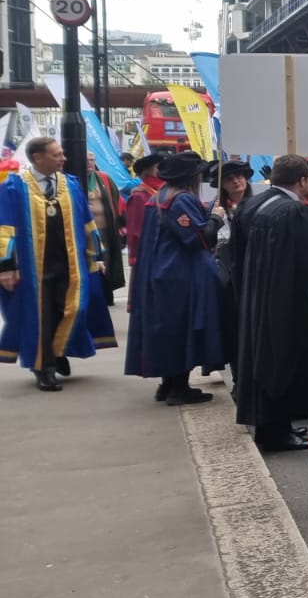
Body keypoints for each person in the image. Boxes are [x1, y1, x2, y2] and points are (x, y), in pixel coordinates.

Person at [0, 137, 116, 390]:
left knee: (74, 309)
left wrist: (94, 257)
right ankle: (44, 367)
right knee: (37, 317)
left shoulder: (71, 185)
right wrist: (6, 267)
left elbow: (87, 224)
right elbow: (4, 229)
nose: (64, 158)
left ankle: (57, 350)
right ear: (38, 158)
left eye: (62, 154)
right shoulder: (13, 187)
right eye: (57, 155)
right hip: (32, 268)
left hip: (70, 264)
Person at [232, 155, 308, 452]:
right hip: (287, 301)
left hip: (254, 298)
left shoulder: (253, 205)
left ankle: (272, 425)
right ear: (303, 181)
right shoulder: (296, 213)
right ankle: (277, 430)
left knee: (260, 357)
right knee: (283, 358)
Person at [125, 150, 227, 405]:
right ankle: (178, 388)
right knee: (182, 329)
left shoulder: (161, 195)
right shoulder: (179, 200)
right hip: (179, 274)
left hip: (163, 270)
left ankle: (168, 383)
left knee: (169, 329)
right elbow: (198, 238)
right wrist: (216, 217)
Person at [205, 158, 256, 381]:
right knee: (233, 328)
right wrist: (216, 219)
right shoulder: (215, 209)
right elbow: (206, 239)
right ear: (222, 185)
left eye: (239, 176)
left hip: (253, 272)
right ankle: (238, 377)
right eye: (229, 179)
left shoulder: (257, 205)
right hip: (226, 278)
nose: (236, 181)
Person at [84, 153, 125, 305]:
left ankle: (105, 295)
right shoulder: (73, 178)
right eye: (86, 160)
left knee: (106, 262)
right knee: (91, 263)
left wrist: (121, 224)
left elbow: (117, 201)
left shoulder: (104, 179)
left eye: (92, 160)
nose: (90, 163)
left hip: (106, 230)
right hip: (86, 232)